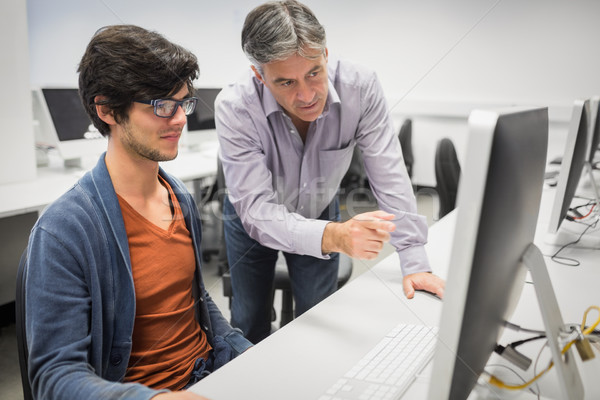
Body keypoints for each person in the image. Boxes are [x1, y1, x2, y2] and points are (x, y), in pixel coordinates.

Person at [25, 25, 251, 400]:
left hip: (209, 377)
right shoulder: (64, 231)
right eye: (163, 105)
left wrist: (247, 355)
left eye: (184, 103)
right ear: (107, 110)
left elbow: (195, 301)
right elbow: (55, 378)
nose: (180, 119)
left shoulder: (179, 197)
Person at [216, 0, 445, 344]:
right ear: (259, 76)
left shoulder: (360, 87)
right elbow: (258, 212)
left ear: (325, 53)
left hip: (320, 209)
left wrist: (414, 260)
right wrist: (336, 237)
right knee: (249, 321)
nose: (307, 95)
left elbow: (389, 172)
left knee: (319, 318)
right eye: (286, 83)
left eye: (313, 73)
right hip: (252, 220)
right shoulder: (235, 106)